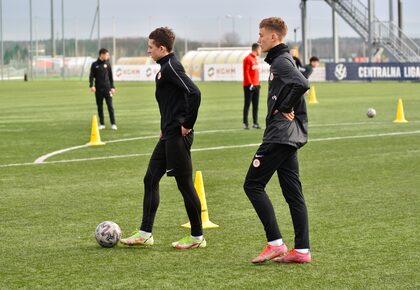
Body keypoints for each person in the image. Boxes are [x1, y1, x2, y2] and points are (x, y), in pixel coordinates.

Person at [120, 27, 205, 249]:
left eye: (150, 47)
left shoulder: (171, 67)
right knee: (150, 179)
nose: (148, 51)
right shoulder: (163, 68)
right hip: (167, 134)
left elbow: (194, 93)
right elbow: (171, 101)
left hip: (177, 135)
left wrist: (187, 124)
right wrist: (163, 126)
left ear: (162, 48)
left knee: (185, 185)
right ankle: (145, 233)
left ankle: (197, 237)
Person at [243, 17, 311, 264]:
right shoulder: (281, 60)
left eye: (261, 34)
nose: (259, 39)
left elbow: (302, 83)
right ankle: (302, 250)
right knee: (293, 193)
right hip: (288, 137)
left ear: (274, 37)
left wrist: (283, 106)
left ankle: (275, 243)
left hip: (280, 136)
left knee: (252, 185)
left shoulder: (281, 61)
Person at [89, 48, 117, 130]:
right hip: (98, 89)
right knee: (100, 106)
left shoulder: (108, 64)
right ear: (102, 54)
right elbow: (91, 76)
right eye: (106, 55)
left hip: (108, 89)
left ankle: (113, 123)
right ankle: (102, 124)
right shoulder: (94, 64)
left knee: (110, 106)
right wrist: (92, 85)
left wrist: (113, 87)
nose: (108, 56)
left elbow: (111, 77)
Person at [243, 43, 262, 129]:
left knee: (256, 105)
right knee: (247, 105)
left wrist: (258, 83)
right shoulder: (247, 58)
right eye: (260, 49)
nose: (260, 51)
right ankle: (245, 123)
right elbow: (246, 72)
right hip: (249, 85)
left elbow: (256, 73)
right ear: (256, 49)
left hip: (257, 85)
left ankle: (255, 123)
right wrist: (250, 83)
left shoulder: (257, 59)